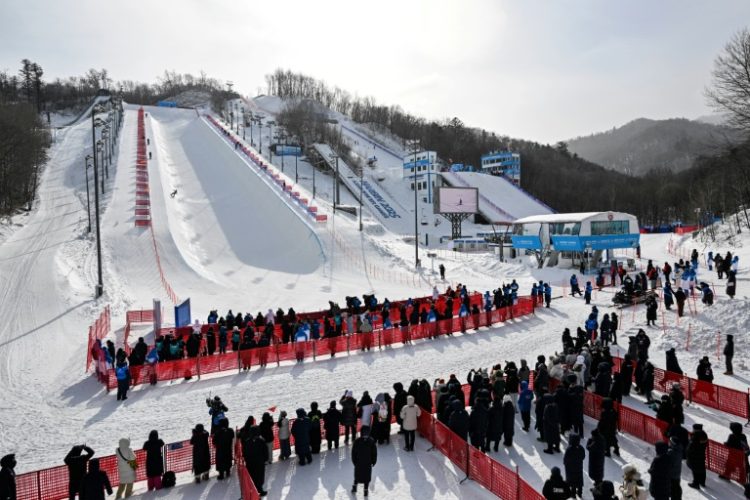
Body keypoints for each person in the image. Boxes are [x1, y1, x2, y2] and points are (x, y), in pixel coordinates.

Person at [242, 425, 269, 496]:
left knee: (252, 477)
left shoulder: (247, 441)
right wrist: (265, 459)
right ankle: (259, 490)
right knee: (259, 477)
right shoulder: (261, 441)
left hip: (250, 463)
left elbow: (244, 452)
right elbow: (265, 452)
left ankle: (253, 492)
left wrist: (246, 459)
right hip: (259, 463)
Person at [351, 426, 378, 497]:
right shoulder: (371, 441)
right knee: (366, 477)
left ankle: (354, 487)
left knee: (357, 476)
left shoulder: (357, 441)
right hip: (367, 464)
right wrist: (373, 462)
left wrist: (355, 462)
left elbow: (353, 453)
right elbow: (374, 453)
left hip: (359, 463)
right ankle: (365, 490)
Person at [686, 423, 708, 489]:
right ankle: (702, 482)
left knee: (695, 470)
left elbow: (691, 447)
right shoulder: (704, 435)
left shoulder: (695, 436)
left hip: (694, 457)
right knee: (702, 469)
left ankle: (696, 483)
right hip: (701, 455)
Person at [564, 433, 585, 497]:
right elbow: (583, 456)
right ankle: (580, 492)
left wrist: (566, 464)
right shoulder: (581, 448)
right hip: (579, 467)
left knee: (572, 480)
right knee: (579, 480)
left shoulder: (569, 449)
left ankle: (573, 494)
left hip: (571, 468)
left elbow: (566, 459)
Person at [667, 435, 683, 500]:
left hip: (672, 475)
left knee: (673, 491)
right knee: (676, 488)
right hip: (677, 474)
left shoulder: (671, 452)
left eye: (669, 441)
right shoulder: (679, 450)